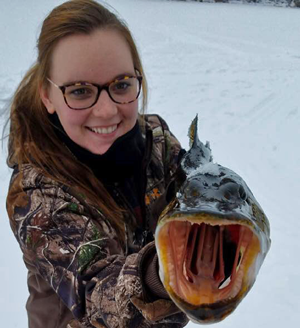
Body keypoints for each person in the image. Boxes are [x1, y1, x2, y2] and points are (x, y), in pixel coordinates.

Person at [5, 0, 188, 327]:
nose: (106, 111)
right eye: (79, 91)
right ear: (47, 95)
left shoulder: (157, 141)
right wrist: (168, 272)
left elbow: (192, 195)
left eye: (121, 85)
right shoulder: (37, 195)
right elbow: (96, 288)